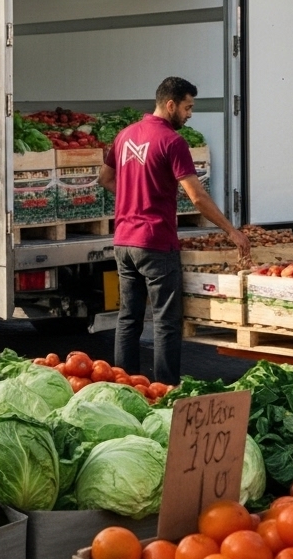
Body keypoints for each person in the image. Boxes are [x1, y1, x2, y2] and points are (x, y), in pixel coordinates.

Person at [98, 77, 251, 385]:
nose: (190, 114)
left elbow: (105, 178)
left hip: (124, 241)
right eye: (187, 107)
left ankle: (122, 386)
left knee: (128, 318)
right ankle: (165, 388)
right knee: (167, 322)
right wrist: (231, 231)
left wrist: (133, 199)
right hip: (155, 242)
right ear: (170, 105)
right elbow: (197, 197)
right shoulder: (172, 142)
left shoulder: (124, 135)